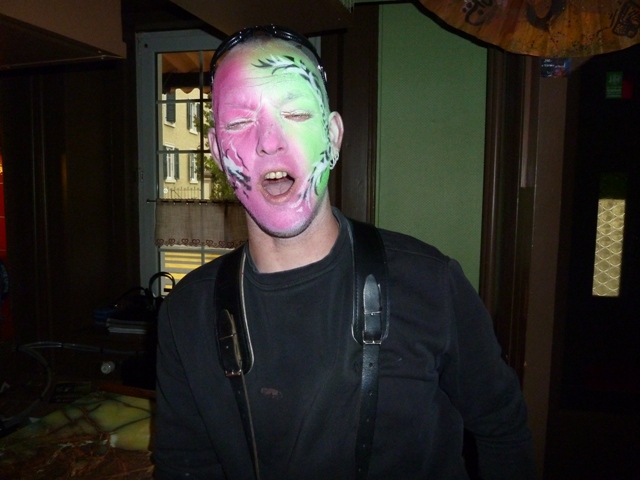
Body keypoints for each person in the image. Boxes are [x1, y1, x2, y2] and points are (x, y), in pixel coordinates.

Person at [153, 25, 535, 480]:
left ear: (333, 137)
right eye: (238, 122)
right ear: (217, 152)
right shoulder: (186, 314)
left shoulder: (431, 283)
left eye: (295, 112)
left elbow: (503, 430)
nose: (269, 141)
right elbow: (184, 465)